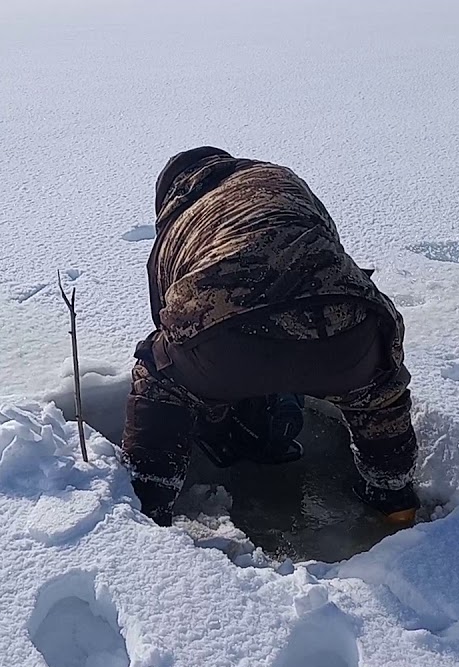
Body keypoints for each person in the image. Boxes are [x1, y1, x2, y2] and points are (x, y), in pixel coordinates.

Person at [120, 147, 420, 527]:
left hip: (225, 338)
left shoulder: (179, 223)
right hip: (346, 330)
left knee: (160, 379)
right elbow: (327, 249)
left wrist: (217, 409)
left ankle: (147, 505)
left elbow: (171, 325)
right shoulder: (281, 180)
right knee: (378, 393)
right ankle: (394, 498)